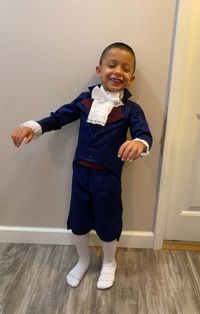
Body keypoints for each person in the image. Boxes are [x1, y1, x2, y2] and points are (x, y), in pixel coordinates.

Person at [11, 42, 152, 290]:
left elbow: (144, 134)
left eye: (125, 68)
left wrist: (139, 144)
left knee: (108, 220)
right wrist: (33, 127)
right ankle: (83, 259)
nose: (118, 71)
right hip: (81, 174)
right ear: (99, 70)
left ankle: (109, 262)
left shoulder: (131, 109)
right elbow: (59, 117)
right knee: (78, 218)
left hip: (108, 176)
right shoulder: (86, 100)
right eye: (112, 65)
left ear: (131, 78)